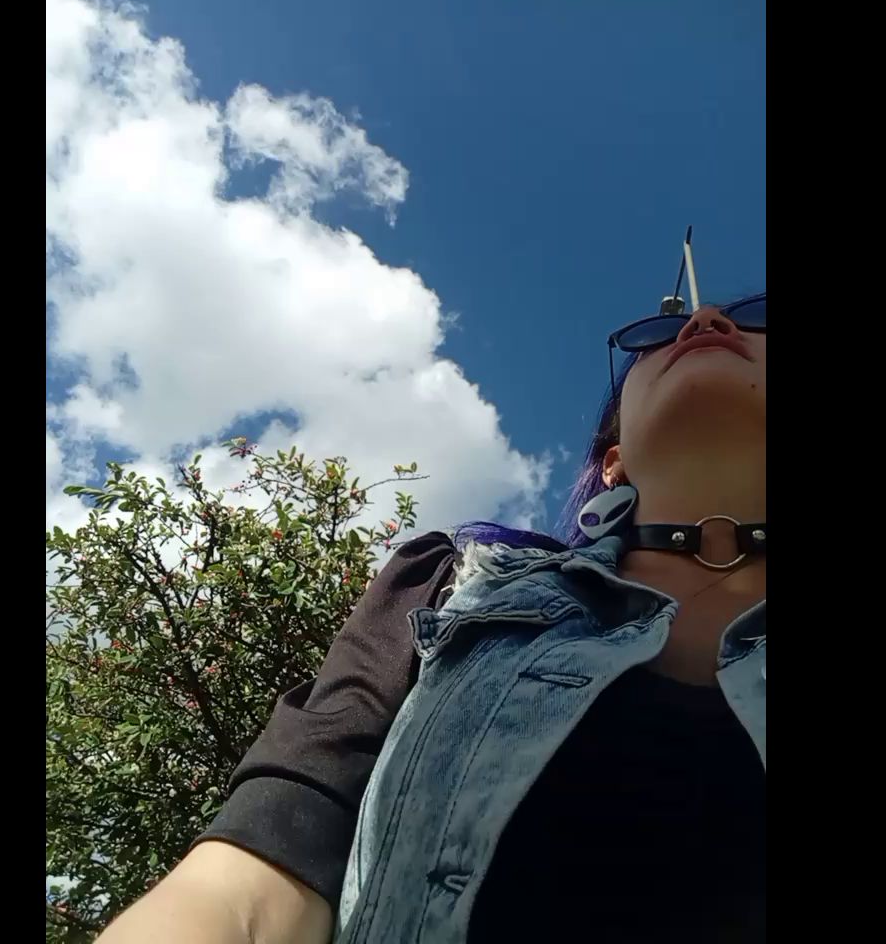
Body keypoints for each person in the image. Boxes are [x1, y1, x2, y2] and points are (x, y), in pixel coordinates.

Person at [98, 232, 766, 943]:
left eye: (757, 319)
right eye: (659, 334)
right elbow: (258, 871)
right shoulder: (450, 587)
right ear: (614, 462)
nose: (704, 321)